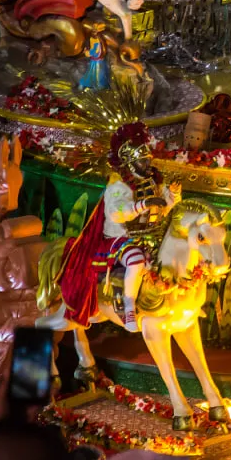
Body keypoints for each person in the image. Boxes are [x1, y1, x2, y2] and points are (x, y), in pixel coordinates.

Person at [57, 123, 180, 333]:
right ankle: (129, 306)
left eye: (148, 160)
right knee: (136, 261)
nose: (147, 164)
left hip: (149, 236)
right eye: (142, 161)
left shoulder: (152, 183)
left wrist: (173, 195)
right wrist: (143, 205)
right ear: (130, 163)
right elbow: (117, 212)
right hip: (120, 238)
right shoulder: (118, 185)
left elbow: (163, 209)